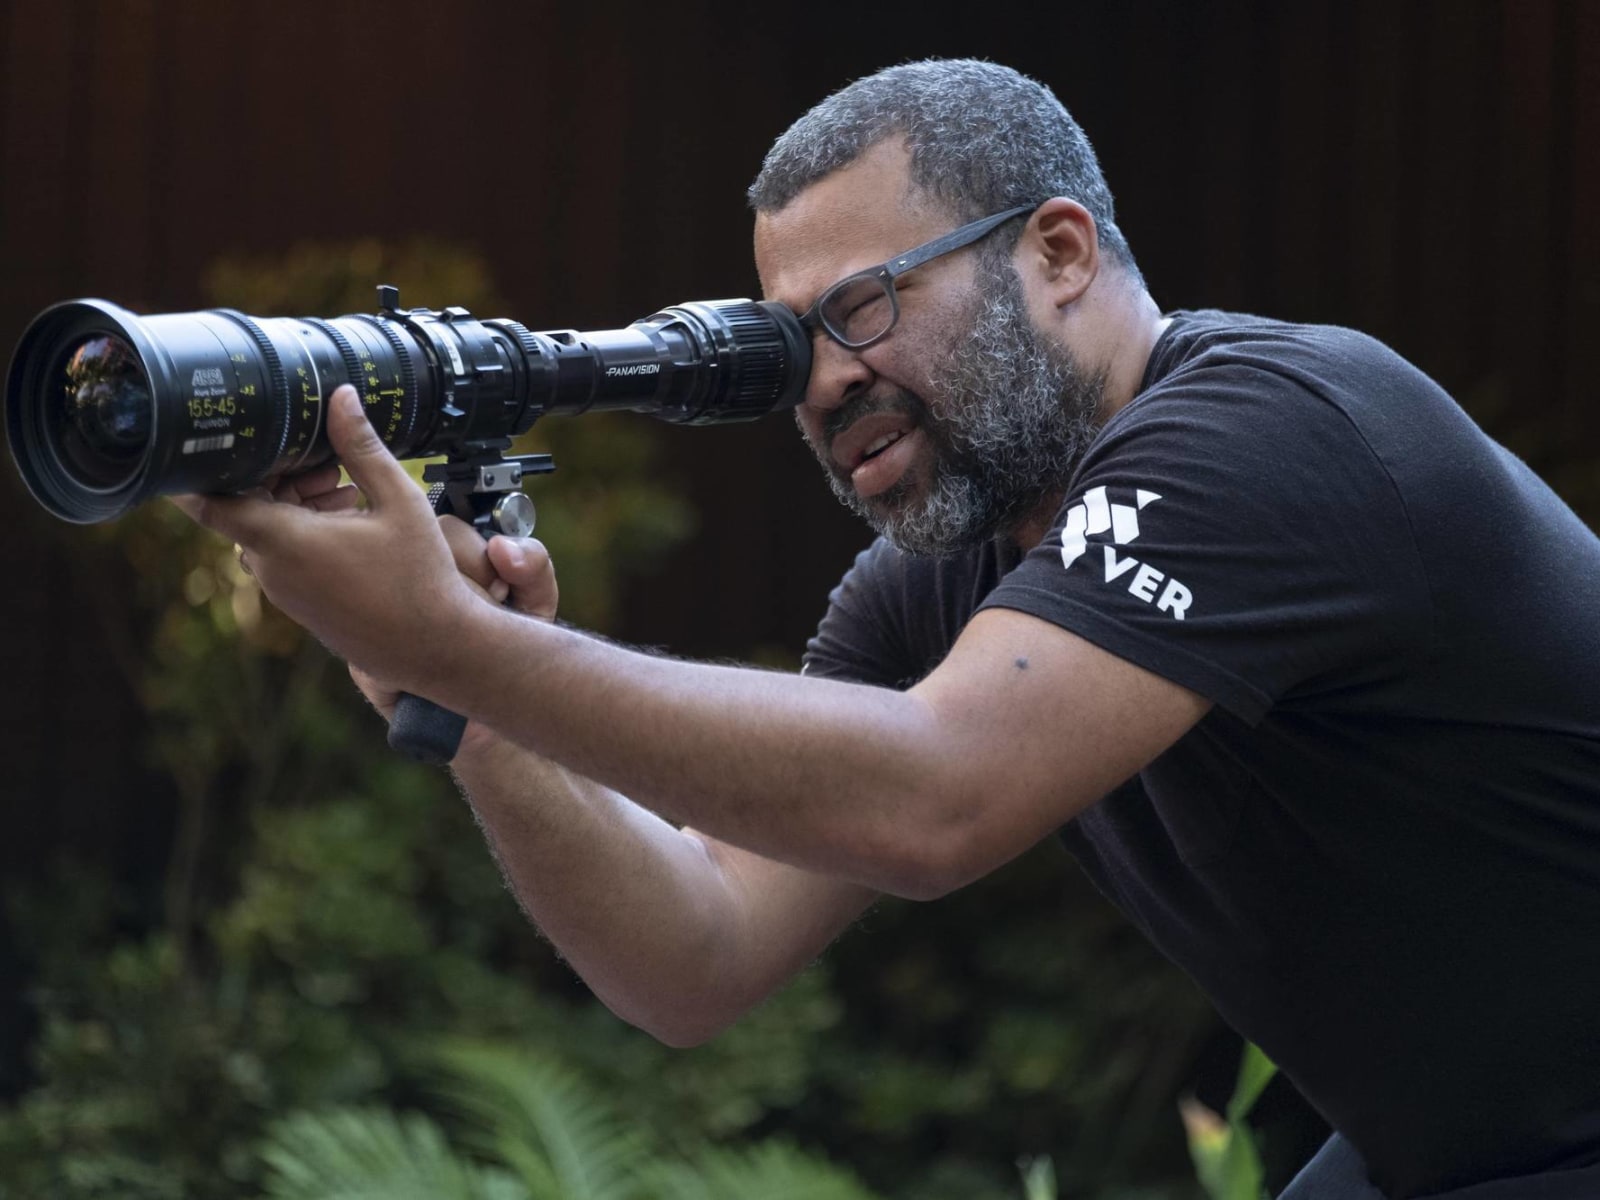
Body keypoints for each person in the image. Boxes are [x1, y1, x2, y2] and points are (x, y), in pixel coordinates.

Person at [176, 60, 1600, 1200]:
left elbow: (937, 794)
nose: (823, 384)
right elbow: (700, 954)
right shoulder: (951, 573)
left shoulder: (1276, 427)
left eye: (861, 308)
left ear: (1056, 253)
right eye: (790, 346)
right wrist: (481, 715)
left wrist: (467, 648)